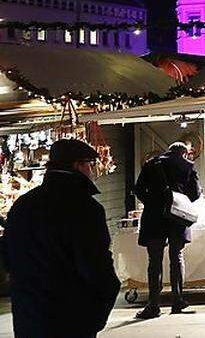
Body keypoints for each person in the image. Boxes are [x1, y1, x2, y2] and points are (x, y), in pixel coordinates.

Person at [3, 139, 120, 337]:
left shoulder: (23, 205)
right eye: (91, 165)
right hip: (70, 314)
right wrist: (97, 313)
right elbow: (95, 266)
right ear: (78, 166)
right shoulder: (85, 207)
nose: (92, 172)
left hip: (29, 313)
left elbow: (8, 255)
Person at [133, 141, 203, 318]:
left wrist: (154, 203)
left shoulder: (151, 164)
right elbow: (195, 194)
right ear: (184, 153)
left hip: (154, 219)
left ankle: (153, 305)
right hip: (177, 219)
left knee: (154, 261)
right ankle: (177, 300)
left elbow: (138, 189)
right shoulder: (187, 166)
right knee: (176, 257)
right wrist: (179, 199)